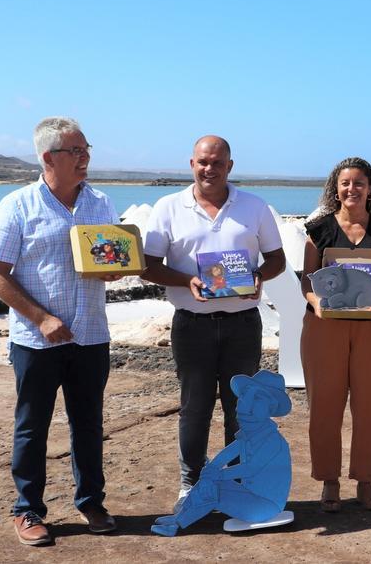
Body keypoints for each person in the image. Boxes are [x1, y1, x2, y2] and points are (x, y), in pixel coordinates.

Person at [0, 117, 121, 545]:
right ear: (49, 158)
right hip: (36, 341)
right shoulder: (17, 206)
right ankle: (27, 511)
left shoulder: (100, 203)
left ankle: (91, 502)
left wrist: (115, 269)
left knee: (88, 424)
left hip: (91, 335)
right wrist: (40, 318)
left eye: (86, 150)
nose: (85, 159)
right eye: (76, 152)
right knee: (32, 426)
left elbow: (111, 258)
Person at [141, 135, 286, 512]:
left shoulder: (254, 207)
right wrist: (185, 280)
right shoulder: (167, 207)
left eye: (217, 162)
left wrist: (258, 276)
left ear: (229, 166)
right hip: (192, 325)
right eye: (203, 162)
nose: (210, 169)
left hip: (242, 324)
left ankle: (236, 479)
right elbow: (149, 266)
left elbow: (277, 259)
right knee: (195, 406)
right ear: (192, 164)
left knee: (242, 409)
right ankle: (191, 481)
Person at [300, 157, 371, 513]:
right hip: (324, 327)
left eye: (359, 183)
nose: (351, 189)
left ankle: (366, 479)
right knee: (325, 404)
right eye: (345, 183)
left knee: (370, 406)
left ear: (370, 188)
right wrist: (317, 304)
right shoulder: (319, 229)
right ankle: (329, 480)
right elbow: (307, 280)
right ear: (335, 188)